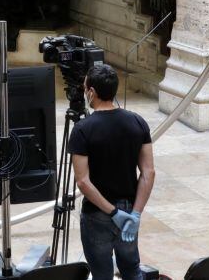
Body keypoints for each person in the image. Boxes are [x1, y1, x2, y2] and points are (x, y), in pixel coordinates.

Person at [68, 64, 155, 280]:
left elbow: (83, 182)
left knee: (102, 276)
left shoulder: (82, 130)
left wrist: (113, 213)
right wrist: (134, 214)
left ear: (91, 92)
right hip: (129, 211)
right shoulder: (137, 122)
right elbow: (148, 172)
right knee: (132, 271)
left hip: (98, 214)